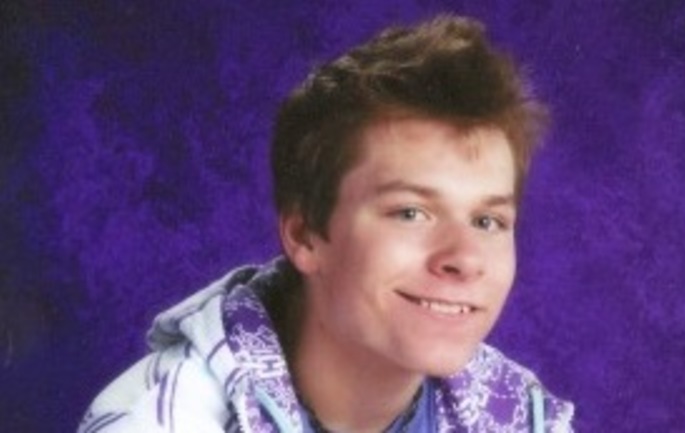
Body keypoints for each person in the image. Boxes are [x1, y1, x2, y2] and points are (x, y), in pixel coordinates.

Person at [78, 14, 574, 433]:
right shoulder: (157, 420)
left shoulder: (528, 420)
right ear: (304, 235)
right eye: (410, 213)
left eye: (487, 220)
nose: (464, 258)